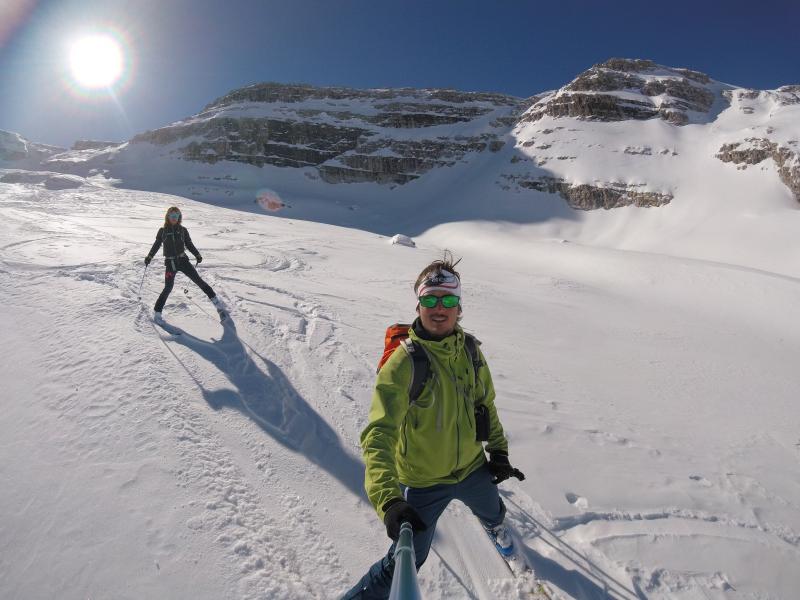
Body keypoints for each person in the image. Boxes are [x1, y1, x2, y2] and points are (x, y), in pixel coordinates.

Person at [343, 254, 525, 599]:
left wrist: (498, 451)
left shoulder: (470, 350)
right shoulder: (403, 364)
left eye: (448, 299)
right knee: (403, 564)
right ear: (418, 305)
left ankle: (498, 533)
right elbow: (378, 435)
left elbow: (485, 403)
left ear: (460, 307)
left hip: (472, 470)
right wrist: (390, 501)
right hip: (422, 483)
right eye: (430, 299)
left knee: (494, 511)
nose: (439, 308)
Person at [144, 206, 225, 322]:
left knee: (198, 281)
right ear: (167, 216)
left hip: (183, 261)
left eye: (176, 216)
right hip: (170, 263)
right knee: (168, 287)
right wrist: (149, 256)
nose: (174, 218)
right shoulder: (162, 231)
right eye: (172, 216)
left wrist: (197, 254)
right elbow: (156, 245)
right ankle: (157, 312)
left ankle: (218, 305)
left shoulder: (183, 230)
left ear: (179, 217)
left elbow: (189, 244)